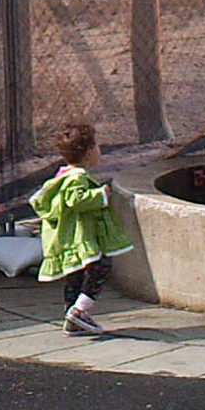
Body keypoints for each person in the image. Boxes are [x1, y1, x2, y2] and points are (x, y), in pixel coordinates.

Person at [31, 120, 134, 337]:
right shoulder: (77, 177)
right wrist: (102, 194)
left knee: (75, 277)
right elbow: (75, 200)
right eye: (96, 145)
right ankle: (79, 311)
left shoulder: (62, 175)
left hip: (69, 239)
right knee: (101, 267)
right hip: (81, 239)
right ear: (87, 153)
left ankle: (71, 317)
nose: (99, 150)